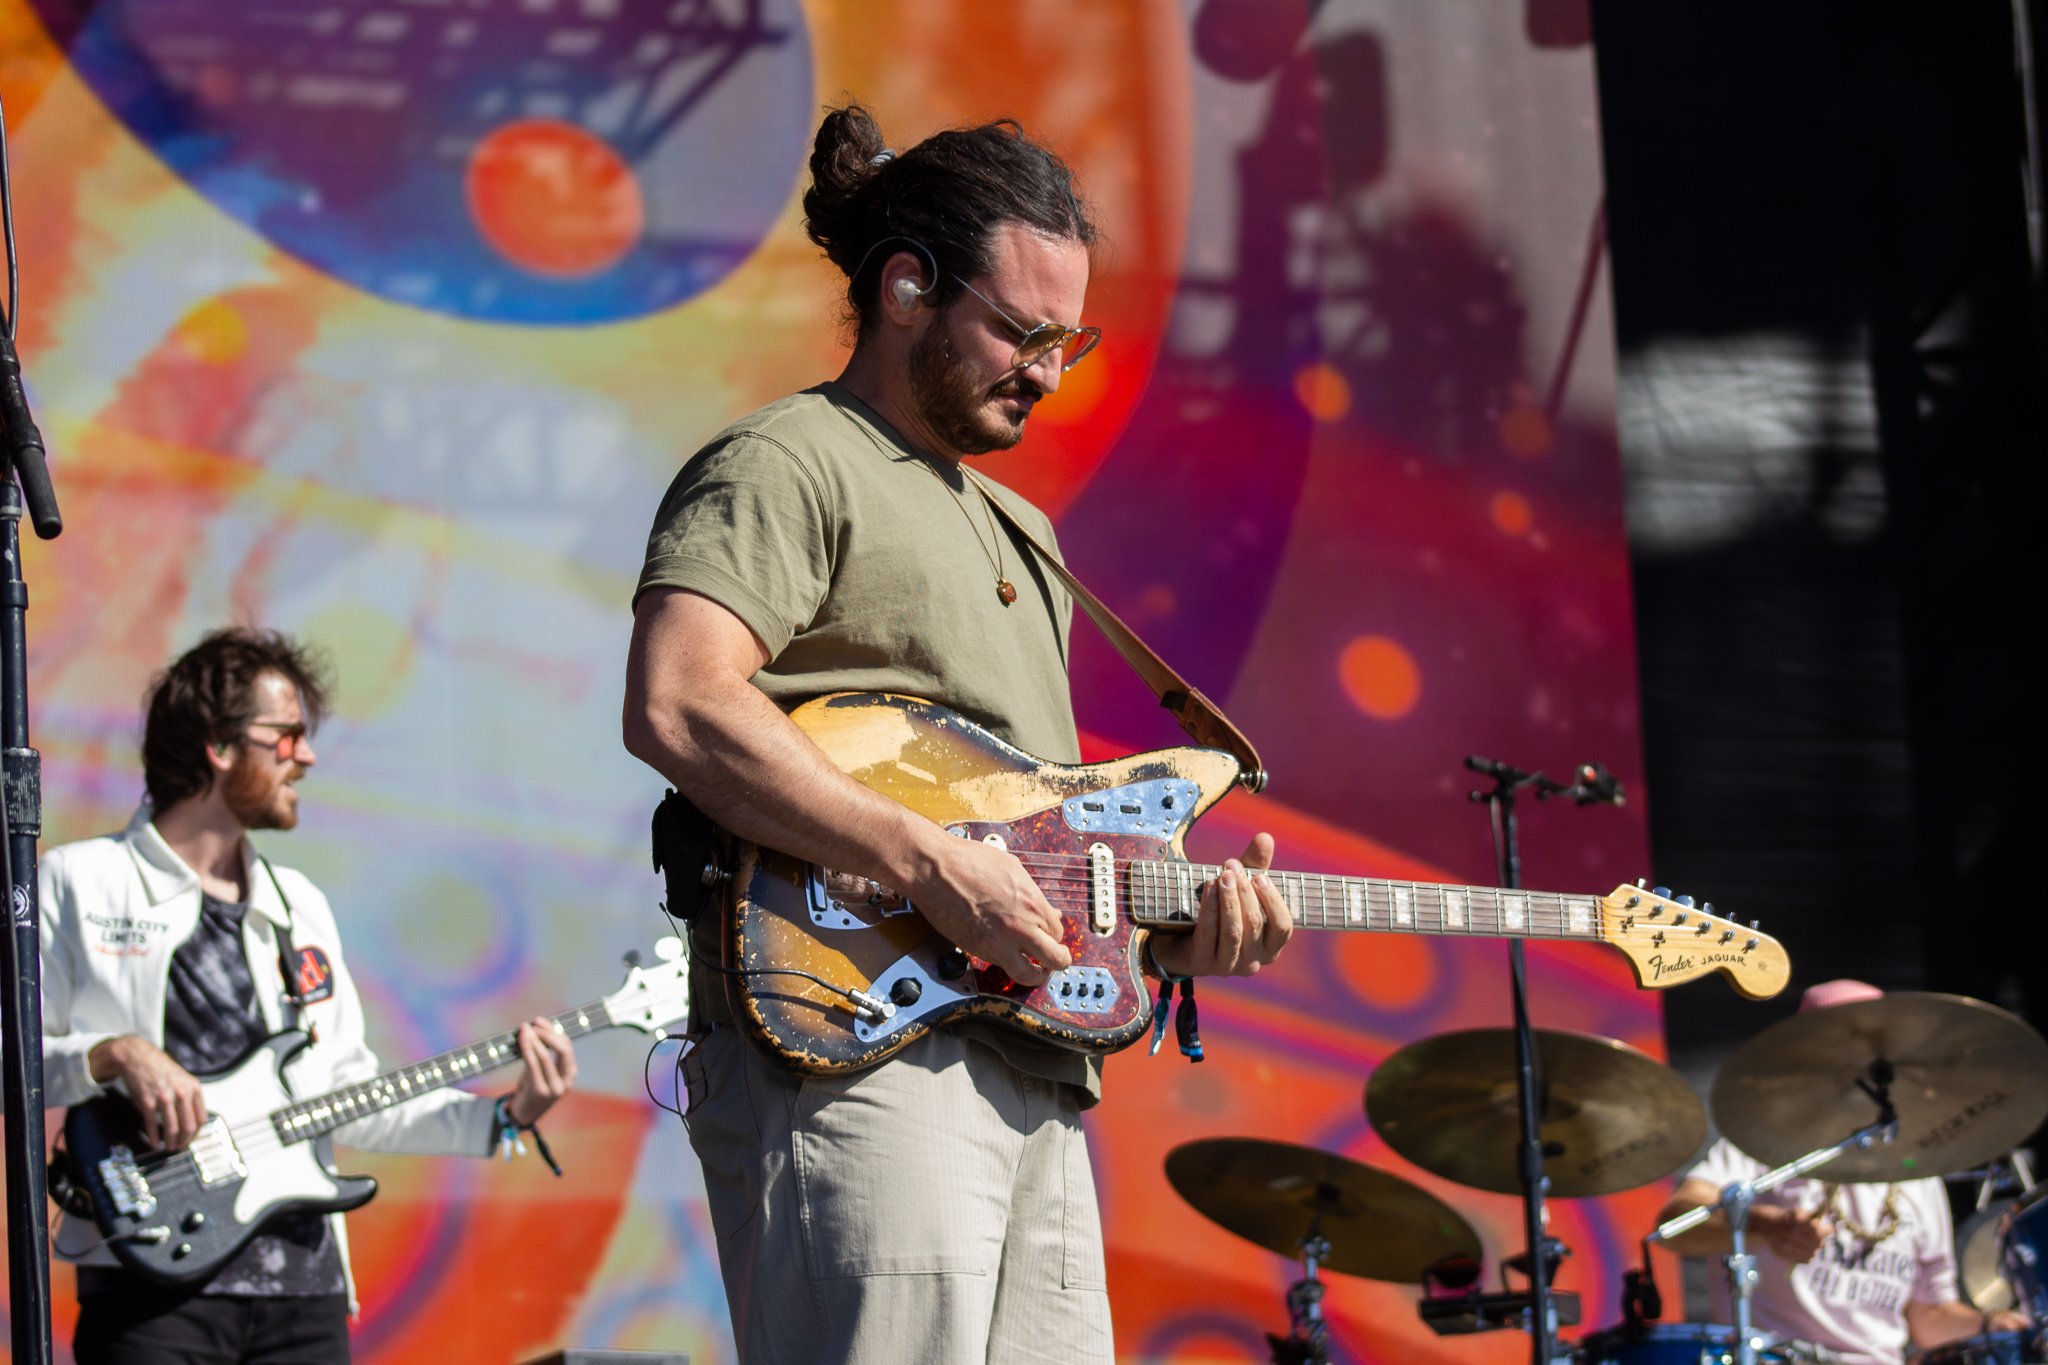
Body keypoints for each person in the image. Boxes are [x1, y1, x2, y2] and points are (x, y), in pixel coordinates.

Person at [622, 103, 1294, 1362]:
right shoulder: (788, 459)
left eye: (1068, 341)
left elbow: (1039, 841)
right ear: (907, 289)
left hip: (1032, 1068)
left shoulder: (1026, 531)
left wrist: (1180, 931)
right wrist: (931, 865)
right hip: (853, 1048)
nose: (1047, 371)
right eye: (1022, 332)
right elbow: (678, 702)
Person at [39, 627, 578, 1364]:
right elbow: (15, 1060)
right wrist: (112, 1053)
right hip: (148, 1287)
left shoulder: (301, 905)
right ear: (218, 745)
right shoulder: (77, 880)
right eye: (287, 735)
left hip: (305, 1296)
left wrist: (505, 1116)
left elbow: (351, 1091)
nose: (308, 756)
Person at [1655, 980, 2031, 1365]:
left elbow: (1929, 1316)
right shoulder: (1762, 1144)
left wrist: (1991, 1327)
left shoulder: (1919, 1175)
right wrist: (1765, 1225)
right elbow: (1677, 1221)